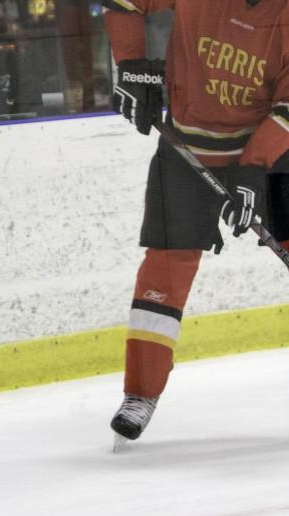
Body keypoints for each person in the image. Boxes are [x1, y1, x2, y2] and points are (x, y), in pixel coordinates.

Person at [102, 0, 289, 443]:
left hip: (271, 154)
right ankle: (140, 395)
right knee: (163, 272)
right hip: (186, 148)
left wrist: (255, 172)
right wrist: (130, 67)